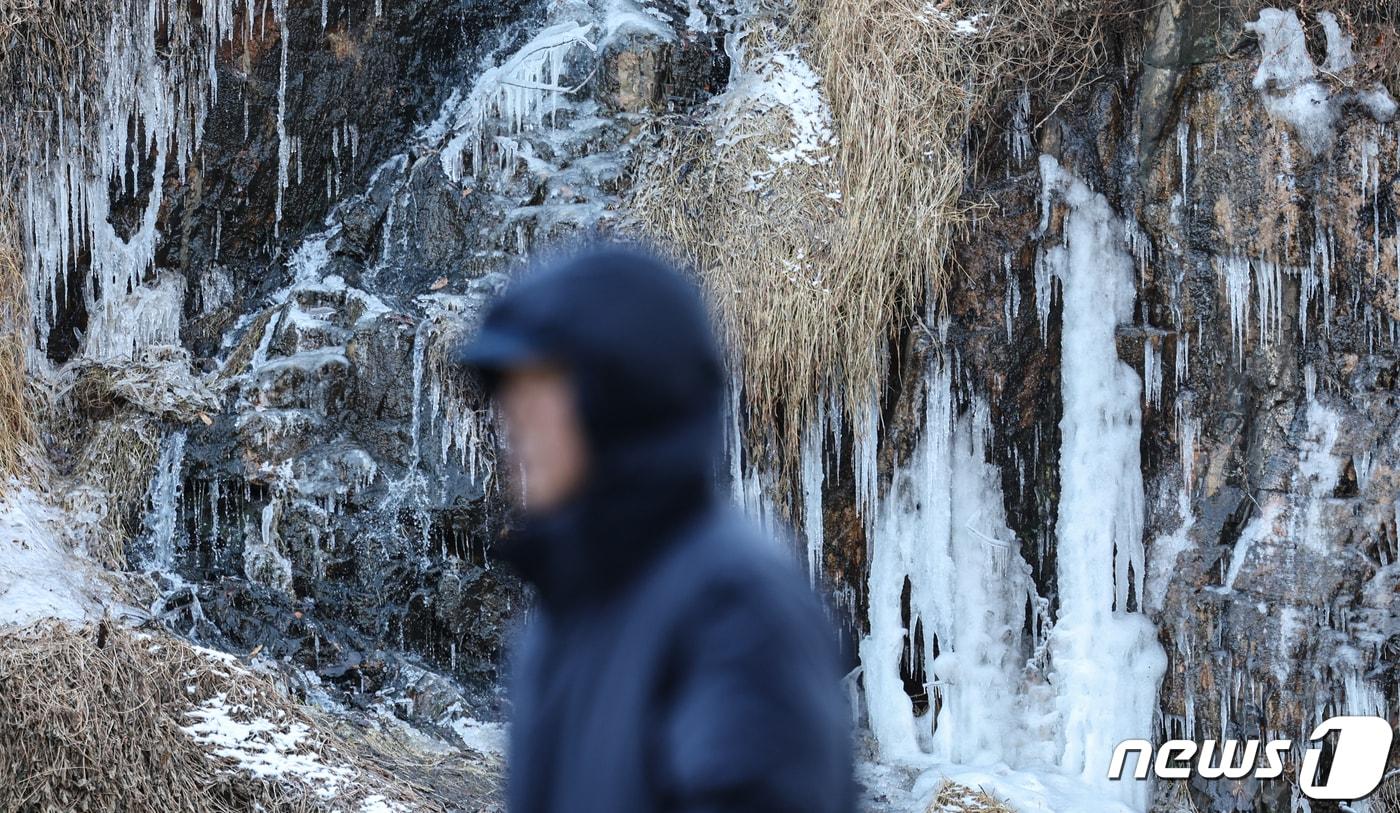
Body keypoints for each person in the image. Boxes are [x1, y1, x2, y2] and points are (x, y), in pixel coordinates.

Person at [454, 244, 856, 813]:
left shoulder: (732, 605)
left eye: (541, 386)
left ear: (622, 393)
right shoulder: (565, 613)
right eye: (508, 394)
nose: (514, 420)